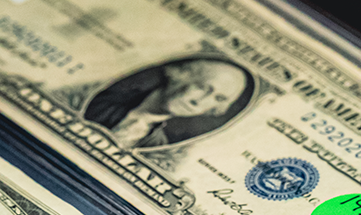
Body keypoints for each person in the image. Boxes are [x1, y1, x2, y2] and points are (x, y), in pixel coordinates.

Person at [85, 58, 251, 149]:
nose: (199, 101)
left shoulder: (159, 145)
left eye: (218, 98)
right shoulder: (98, 101)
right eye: (202, 87)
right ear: (180, 75)